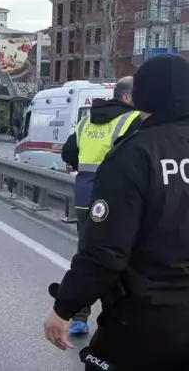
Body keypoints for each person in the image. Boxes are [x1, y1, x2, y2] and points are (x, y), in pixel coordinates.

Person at [44, 55, 189, 370]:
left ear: (143, 96)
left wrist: (65, 307)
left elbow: (105, 252)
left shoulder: (135, 154)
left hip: (146, 323)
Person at [60, 76, 140, 335]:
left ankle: (80, 317)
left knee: (88, 253)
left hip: (84, 199)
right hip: (114, 199)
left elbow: (68, 153)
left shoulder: (86, 121)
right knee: (115, 257)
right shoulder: (132, 120)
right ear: (127, 97)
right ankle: (113, 317)